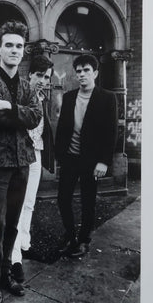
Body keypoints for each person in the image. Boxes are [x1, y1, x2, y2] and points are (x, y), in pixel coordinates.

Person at [0, 20, 42, 303]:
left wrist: (8, 106)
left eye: (19, 46)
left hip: (22, 161)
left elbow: (36, 116)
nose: (14, 50)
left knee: (13, 222)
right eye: (9, 45)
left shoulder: (27, 86)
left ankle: (4, 273)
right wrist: (15, 112)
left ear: (24, 52)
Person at [55, 53, 118, 257]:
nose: (82, 75)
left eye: (86, 71)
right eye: (79, 71)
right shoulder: (69, 97)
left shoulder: (107, 98)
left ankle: (83, 240)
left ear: (95, 73)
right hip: (70, 158)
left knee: (87, 201)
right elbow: (63, 129)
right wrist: (59, 156)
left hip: (92, 161)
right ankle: (71, 235)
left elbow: (111, 131)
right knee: (63, 198)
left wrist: (103, 161)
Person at [10, 54, 55, 283]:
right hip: (21, 156)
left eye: (47, 77)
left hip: (36, 155)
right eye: (39, 75)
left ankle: (25, 244)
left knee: (29, 203)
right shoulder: (20, 94)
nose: (43, 81)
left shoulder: (42, 97)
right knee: (17, 206)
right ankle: (14, 257)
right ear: (30, 74)